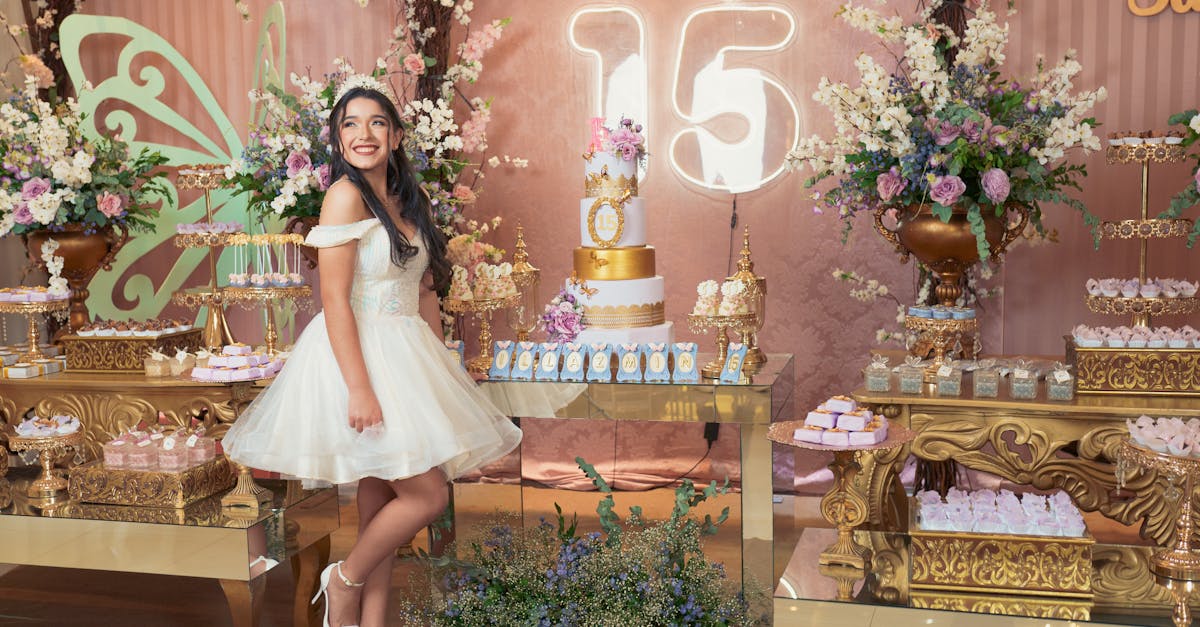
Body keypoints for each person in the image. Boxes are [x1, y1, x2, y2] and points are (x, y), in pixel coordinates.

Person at [222, 75, 522, 627]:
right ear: (338, 141)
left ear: (398, 135)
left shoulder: (410, 199)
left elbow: (424, 290)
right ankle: (344, 579)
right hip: (359, 356)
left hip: (407, 354)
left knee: (381, 502)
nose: (365, 134)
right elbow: (334, 299)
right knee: (427, 496)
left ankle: (372, 620)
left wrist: (444, 369)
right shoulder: (343, 195)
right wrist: (359, 388)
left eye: (377, 122)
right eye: (351, 125)